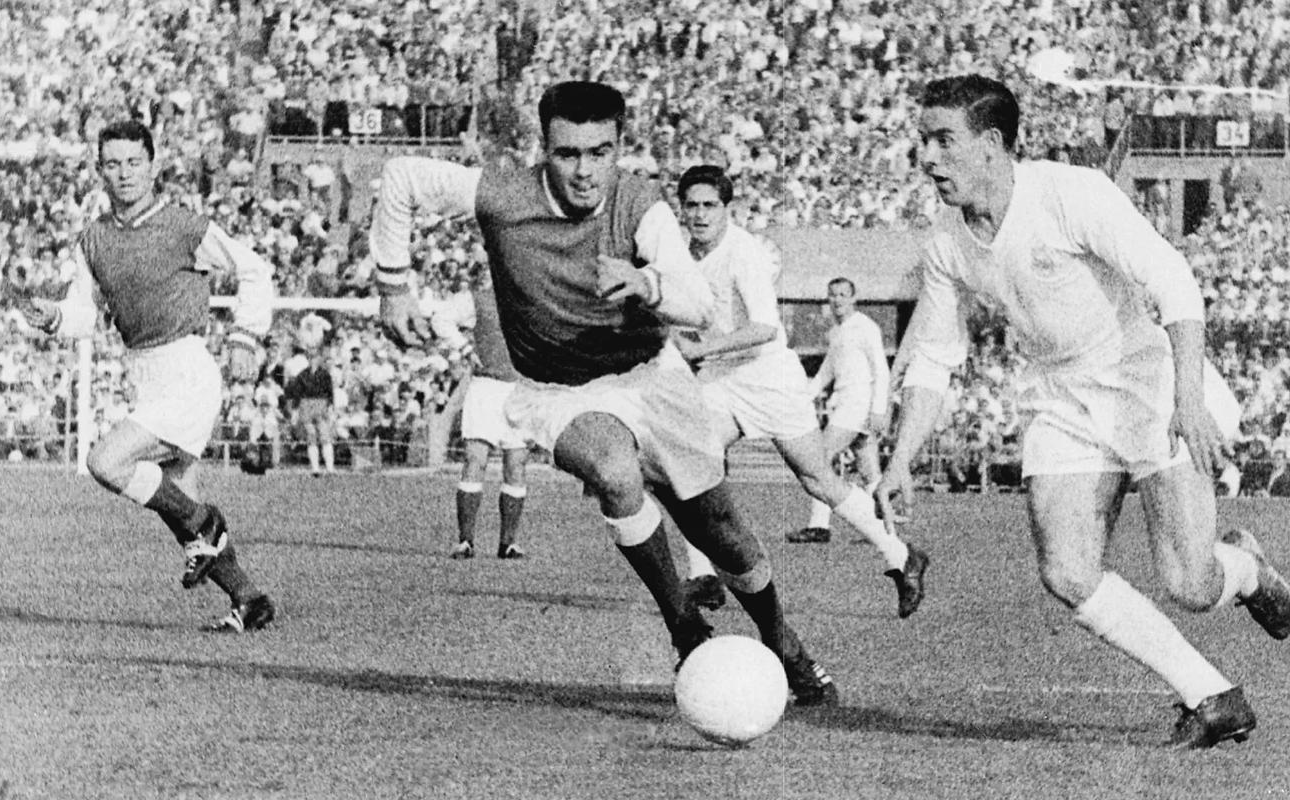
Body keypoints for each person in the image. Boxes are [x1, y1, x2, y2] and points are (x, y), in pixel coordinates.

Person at [369, 81, 837, 705]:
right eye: (568, 153)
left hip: (652, 378)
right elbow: (401, 176)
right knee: (615, 471)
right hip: (557, 391)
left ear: (619, 148)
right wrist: (393, 286)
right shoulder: (503, 195)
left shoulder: (641, 205)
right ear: (544, 149)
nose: (585, 171)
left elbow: (699, 304)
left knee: (720, 531)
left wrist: (647, 284)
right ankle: (684, 625)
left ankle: (784, 647)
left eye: (600, 152)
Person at [877, 75, 1290, 749]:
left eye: (942, 140)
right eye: (923, 140)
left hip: (1145, 380)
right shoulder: (946, 241)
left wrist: (1188, 399)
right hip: (1062, 397)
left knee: (1190, 583)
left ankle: (1245, 568)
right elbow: (933, 357)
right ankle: (1213, 696)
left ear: (990, 144)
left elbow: (1174, 280)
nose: (926, 157)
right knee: (1067, 571)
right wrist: (900, 458)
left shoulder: (1070, 193)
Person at [18, 120, 278, 633]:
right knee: (179, 506)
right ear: (99, 170)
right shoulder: (93, 239)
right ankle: (249, 599)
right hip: (145, 375)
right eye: (113, 164)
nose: (125, 173)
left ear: (153, 166)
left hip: (187, 370)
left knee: (105, 461)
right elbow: (84, 314)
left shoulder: (183, 226)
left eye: (134, 162)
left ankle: (207, 524)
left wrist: (246, 336)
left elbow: (254, 269)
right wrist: (54, 317)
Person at [673, 165, 928, 619]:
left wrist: (700, 348)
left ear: (727, 209)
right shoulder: (683, 255)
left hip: (767, 376)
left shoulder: (743, 252)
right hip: (720, 377)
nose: (700, 214)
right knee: (689, 463)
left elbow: (765, 328)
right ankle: (704, 576)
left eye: (710, 205)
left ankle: (901, 555)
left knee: (817, 478)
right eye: (691, 205)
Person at [789, 278, 893, 544]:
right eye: (833, 295)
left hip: (857, 404)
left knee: (819, 459)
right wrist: (805, 397)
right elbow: (827, 370)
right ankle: (884, 530)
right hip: (846, 403)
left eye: (843, 295)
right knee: (869, 470)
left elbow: (881, 369)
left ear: (853, 298)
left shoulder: (866, 327)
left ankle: (819, 525)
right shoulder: (837, 331)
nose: (837, 300)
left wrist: (879, 409)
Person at [449, 280, 529, 561]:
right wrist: (464, 349)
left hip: (520, 389)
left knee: (516, 464)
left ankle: (508, 543)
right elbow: (441, 318)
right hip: (485, 387)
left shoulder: (532, 296)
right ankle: (465, 541)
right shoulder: (479, 298)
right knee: (475, 460)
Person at [286, 347, 337, 476]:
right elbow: (297, 395)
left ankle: (330, 469)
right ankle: (315, 469)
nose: (313, 360)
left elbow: (330, 393)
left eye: (315, 357)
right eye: (310, 357)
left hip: (321, 406)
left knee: (325, 436)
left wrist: (331, 409)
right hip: (306, 406)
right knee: (311, 436)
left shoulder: (325, 375)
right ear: (308, 359)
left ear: (319, 359)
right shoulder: (302, 375)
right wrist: (295, 412)